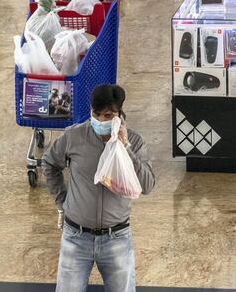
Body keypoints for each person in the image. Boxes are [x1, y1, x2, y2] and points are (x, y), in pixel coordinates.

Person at [42, 84, 155, 292]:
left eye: (108, 115)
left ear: (119, 115)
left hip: (117, 238)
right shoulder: (73, 137)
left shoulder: (135, 142)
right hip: (76, 237)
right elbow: (49, 164)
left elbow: (147, 185)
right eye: (97, 114)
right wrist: (62, 202)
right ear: (91, 110)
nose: (102, 120)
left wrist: (126, 147)